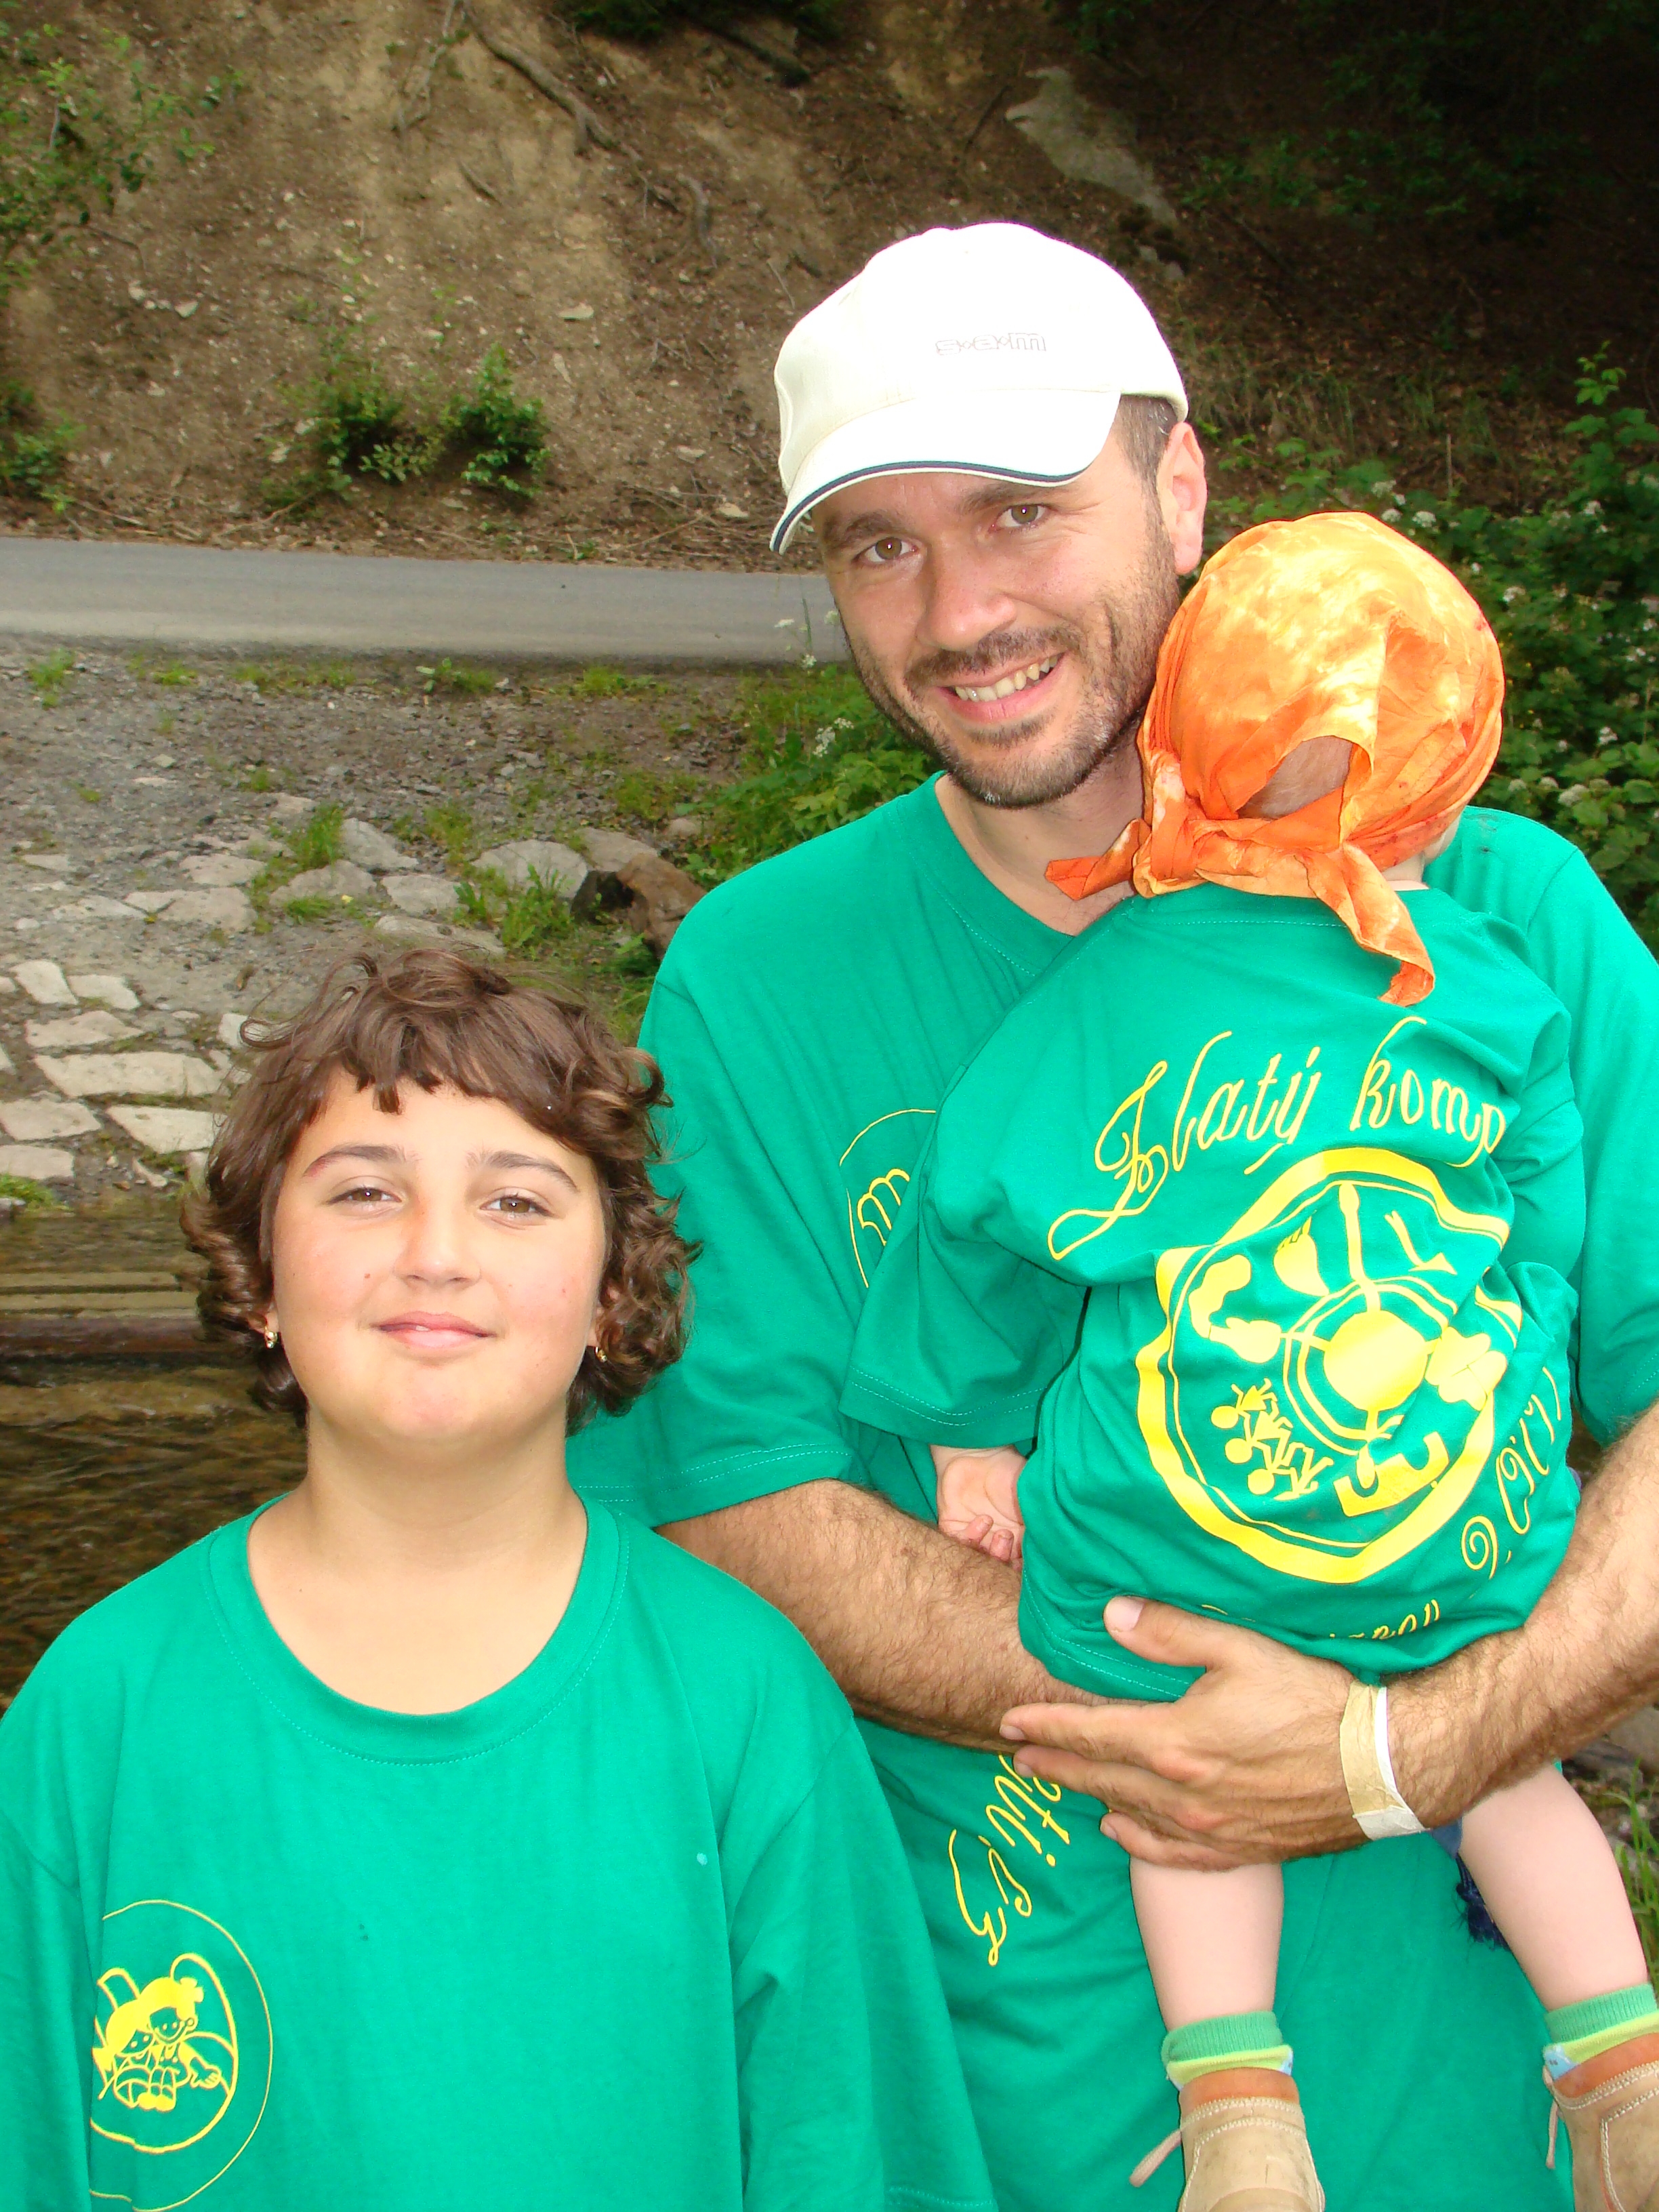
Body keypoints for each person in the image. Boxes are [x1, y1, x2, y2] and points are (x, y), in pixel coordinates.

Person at [569, 222, 1659, 2209]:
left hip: (1479, 2107)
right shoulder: (765, 976)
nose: (960, 609)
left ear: (1181, 492)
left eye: (1019, 509)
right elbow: (738, 1502)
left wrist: (1407, 1740)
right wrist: (1190, 1698)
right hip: (1027, 2118)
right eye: (879, 544)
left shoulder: (1500, 916)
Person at [840, 510, 1659, 2209]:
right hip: (1450, 1530)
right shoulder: (1488, 975)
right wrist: (1517, 1336)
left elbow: (978, 1207)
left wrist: (970, 1437)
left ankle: (1238, 2116)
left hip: (1177, 1551)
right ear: (1446, 782)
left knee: (1179, 1786)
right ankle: (1625, 2067)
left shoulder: (1123, 981)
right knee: (1504, 1768)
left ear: (1183, 749)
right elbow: (1546, 1203)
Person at [0, 949, 996, 2212]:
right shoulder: (98, 1712)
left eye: (516, 1202)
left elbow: (845, 2157)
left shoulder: (744, 1699)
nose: (436, 1254)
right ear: (260, 1278)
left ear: (613, 1296)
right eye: (366, 1192)